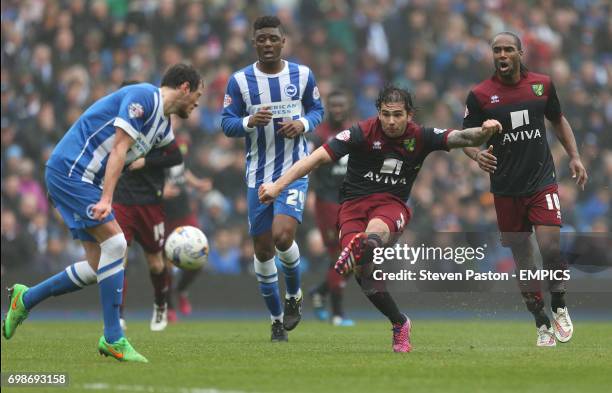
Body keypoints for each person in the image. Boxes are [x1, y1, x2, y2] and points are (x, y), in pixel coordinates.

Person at [259, 85, 503, 352]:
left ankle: (365, 244)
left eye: (397, 115)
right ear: (378, 112)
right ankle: (399, 321)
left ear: (409, 114)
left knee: (373, 234)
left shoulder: (421, 135)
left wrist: (484, 130)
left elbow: (461, 137)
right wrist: (278, 186)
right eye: (386, 114)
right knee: (365, 275)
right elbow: (315, 158)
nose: (391, 121)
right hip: (352, 207)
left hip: (391, 205)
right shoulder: (361, 132)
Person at [2, 64, 203, 362]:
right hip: (74, 171)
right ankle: (113, 338)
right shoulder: (144, 96)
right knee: (117, 244)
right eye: (197, 94)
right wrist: (108, 198)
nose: (198, 102)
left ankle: (26, 298)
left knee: (98, 266)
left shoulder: (162, 125)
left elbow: (173, 154)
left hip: (81, 179)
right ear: (185, 87)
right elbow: (119, 148)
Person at [462, 32, 588, 347]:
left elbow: (558, 120)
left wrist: (574, 156)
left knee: (550, 248)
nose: (502, 55)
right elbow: (465, 137)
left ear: (520, 52)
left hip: (541, 181)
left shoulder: (541, 85)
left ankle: (558, 305)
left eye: (507, 49)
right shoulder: (480, 95)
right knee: (523, 259)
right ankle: (540, 321)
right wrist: (477, 154)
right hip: (505, 189)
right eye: (496, 51)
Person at [221, 15, 324, 342]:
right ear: (254, 42)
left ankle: (294, 294)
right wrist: (249, 121)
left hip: (294, 170)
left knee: (282, 237)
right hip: (257, 176)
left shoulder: (303, 75)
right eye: (261, 38)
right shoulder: (239, 81)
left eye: (273, 38)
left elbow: (316, 111)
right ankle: (277, 319)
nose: (267, 43)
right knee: (264, 251)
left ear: (283, 41)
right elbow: (226, 124)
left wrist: (304, 125)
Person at [112, 80, 184, 333]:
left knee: (155, 262)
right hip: (122, 199)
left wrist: (146, 161)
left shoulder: (157, 124)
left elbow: (176, 156)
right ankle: (117, 315)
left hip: (150, 201)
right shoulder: (118, 124)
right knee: (117, 257)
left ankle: (161, 305)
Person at [307, 90, 355, 326]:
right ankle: (337, 313)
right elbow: (309, 165)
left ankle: (320, 291)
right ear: (327, 107)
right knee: (339, 253)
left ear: (347, 107)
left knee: (353, 255)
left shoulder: (354, 132)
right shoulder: (318, 135)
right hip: (327, 200)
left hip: (350, 201)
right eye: (333, 105)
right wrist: (310, 193)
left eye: (341, 105)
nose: (337, 109)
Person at [162, 133, 212, 322]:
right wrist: (159, 190)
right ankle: (169, 305)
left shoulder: (177, 152)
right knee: (163, 265)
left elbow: (182, 171)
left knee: (200, 254)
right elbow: (142, 179)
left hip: (184, 213)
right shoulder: (151, 154)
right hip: (162, 216)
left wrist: (197, 184)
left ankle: (182, 289)